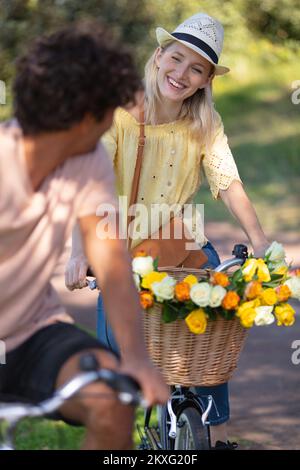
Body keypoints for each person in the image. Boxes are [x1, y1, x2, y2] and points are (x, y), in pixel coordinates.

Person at [65, 13, 270, 449]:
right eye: (176, 59)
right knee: (121, 358)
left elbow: (228, 182)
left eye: (196, 68)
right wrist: (77, 250)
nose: (181, 74)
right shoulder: (118, 115)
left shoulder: (204, 125)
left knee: (213, 321)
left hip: (180, 247)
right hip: (120, 253)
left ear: (205, 80)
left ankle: (218, 440)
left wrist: (260, 239)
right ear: (159, 57)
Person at [0, 22, 169, 450]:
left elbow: (111, 261)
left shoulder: (89, 157)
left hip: (30, 332)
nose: (115, 119)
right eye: (111, 109)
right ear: (87, 116)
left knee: (112, 398)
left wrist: (136, 359)